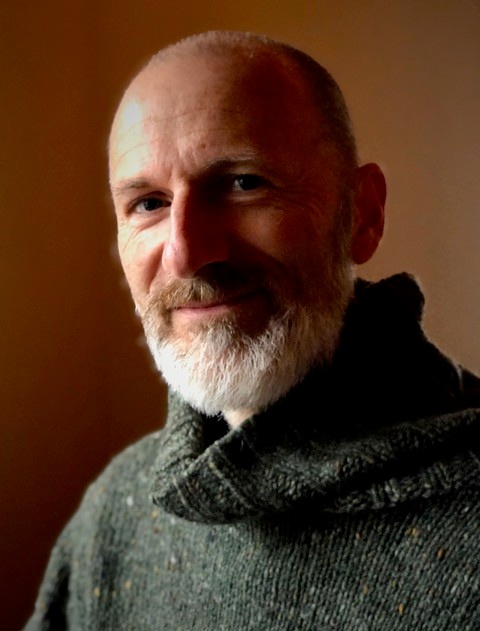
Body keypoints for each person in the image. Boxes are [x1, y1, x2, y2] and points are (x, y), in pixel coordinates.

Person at [27, 31, 480, 630]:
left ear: (362, 214)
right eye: (149, 204)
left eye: (243, 183)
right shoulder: (112, 520)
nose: (188, 253)